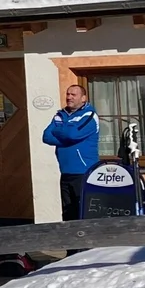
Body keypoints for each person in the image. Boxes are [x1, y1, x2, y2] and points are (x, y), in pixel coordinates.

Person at [43, 85, 100, 222]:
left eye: (73, 95)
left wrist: (59, 131)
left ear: (83, 98)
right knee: (68, 212)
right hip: (65, 172)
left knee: (83, 211)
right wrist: (66, 138)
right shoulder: (60, 115)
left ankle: (86, 236)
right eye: (68, 94)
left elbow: (73, 134)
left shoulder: (89, 115)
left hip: (83, 172)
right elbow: (46, 136)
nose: (69, 97)